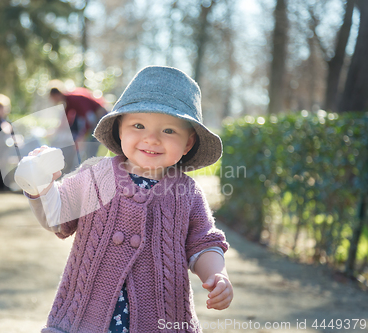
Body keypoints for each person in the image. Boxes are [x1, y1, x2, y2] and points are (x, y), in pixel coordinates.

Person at [22, 66, 232, 332]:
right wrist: (41, 186)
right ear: (120, 130)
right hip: (84, 316)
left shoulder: (186, 193)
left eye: (169, 131)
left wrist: (216, 274)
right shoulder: (96, 175)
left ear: (188, 144)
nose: (152, 138)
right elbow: (58, 216)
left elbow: (203, 242)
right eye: (138, 125)